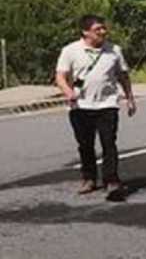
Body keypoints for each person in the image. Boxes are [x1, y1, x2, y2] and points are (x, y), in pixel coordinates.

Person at [54, 15, 136, 197]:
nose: (103, 32)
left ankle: (112, 180)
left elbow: (123, 76)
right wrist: (68, 93)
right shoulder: (70, 50)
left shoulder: (114, 50)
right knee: (85, 145)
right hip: (80, 107)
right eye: (98, 29)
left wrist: (129, 98)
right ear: (85, 32)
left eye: (103, 28)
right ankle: (89, 178)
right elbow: (60, 76)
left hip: (107, 104)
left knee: (109, 143)